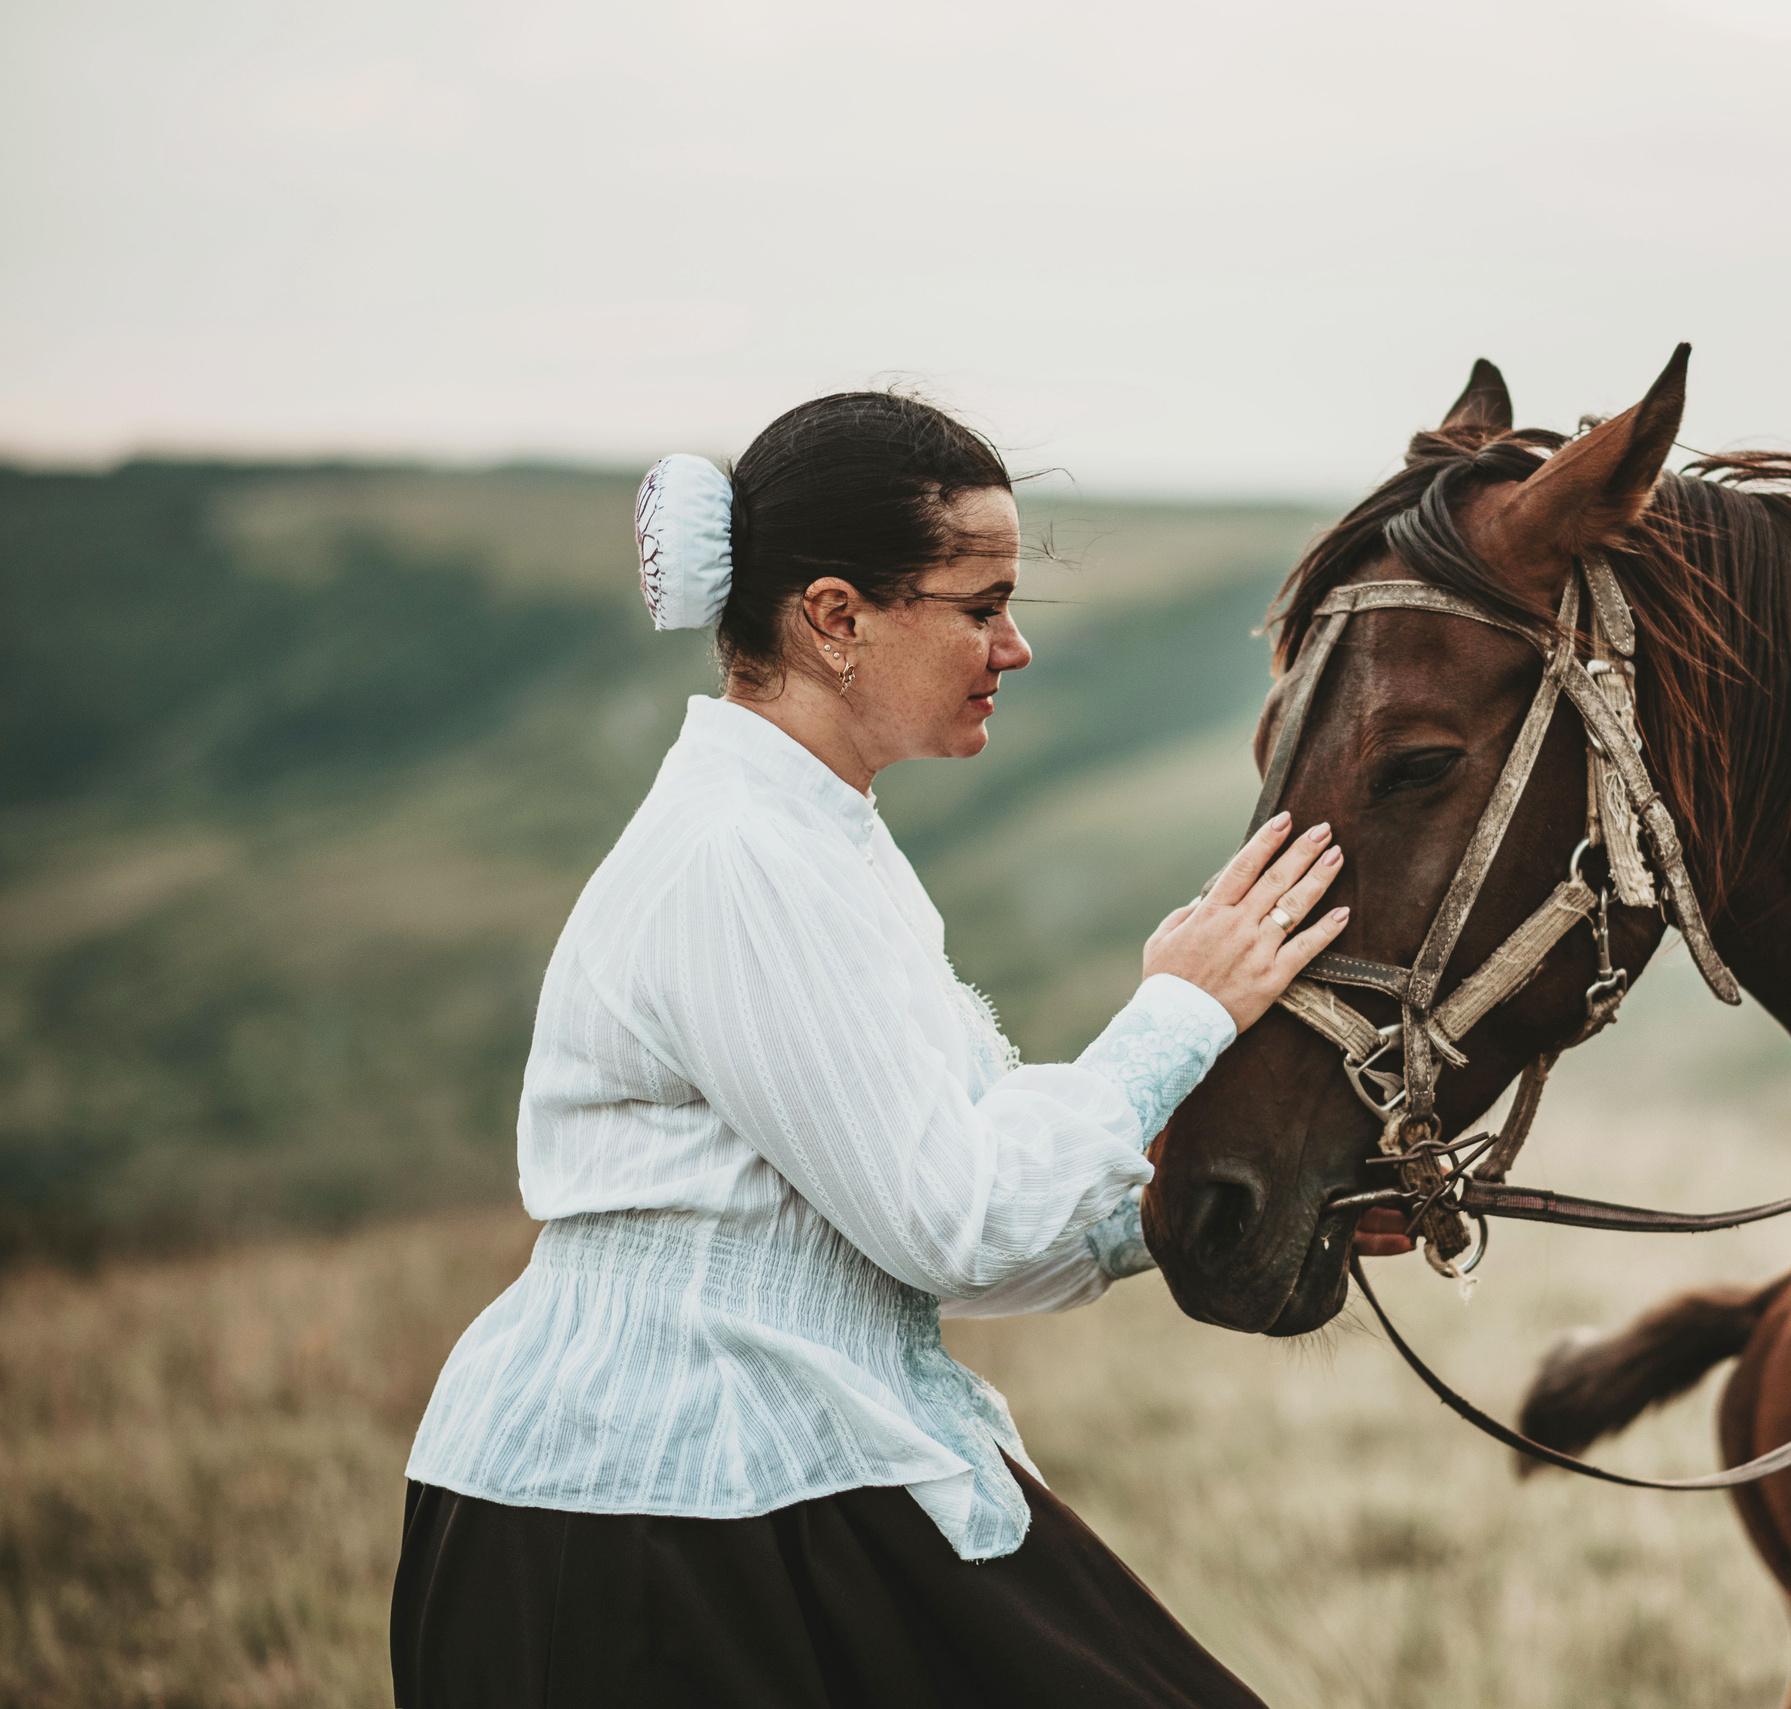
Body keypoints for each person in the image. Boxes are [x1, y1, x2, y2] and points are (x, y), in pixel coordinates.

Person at [390, 391, 1407, 1707]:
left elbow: (949, 1195)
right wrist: (1181, 1012)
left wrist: (1172, 1213)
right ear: (833, 618)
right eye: (980, 604)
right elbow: (952, 1225)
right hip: (644, 1531)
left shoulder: (821, 840)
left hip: (781, 1484)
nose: (1016, 644)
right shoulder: (740, 858)